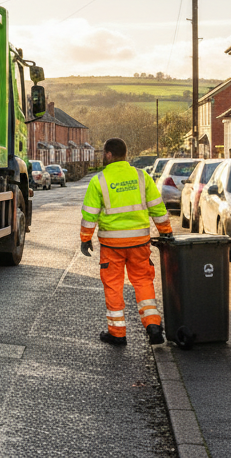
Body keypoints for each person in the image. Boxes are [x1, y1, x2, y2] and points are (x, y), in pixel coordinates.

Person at [80, 138, 173, 346]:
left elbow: (90, 214)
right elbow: (157, 208)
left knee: (113, 286)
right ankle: (153, 325)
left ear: (109, 155)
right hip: (140, 243)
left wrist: (85, 239)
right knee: (143, 281)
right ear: (126, 153)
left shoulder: (99, 180)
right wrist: (166, 232)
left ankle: (117, 333)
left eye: (104, 153)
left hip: (112, 246)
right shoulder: (142, 177)